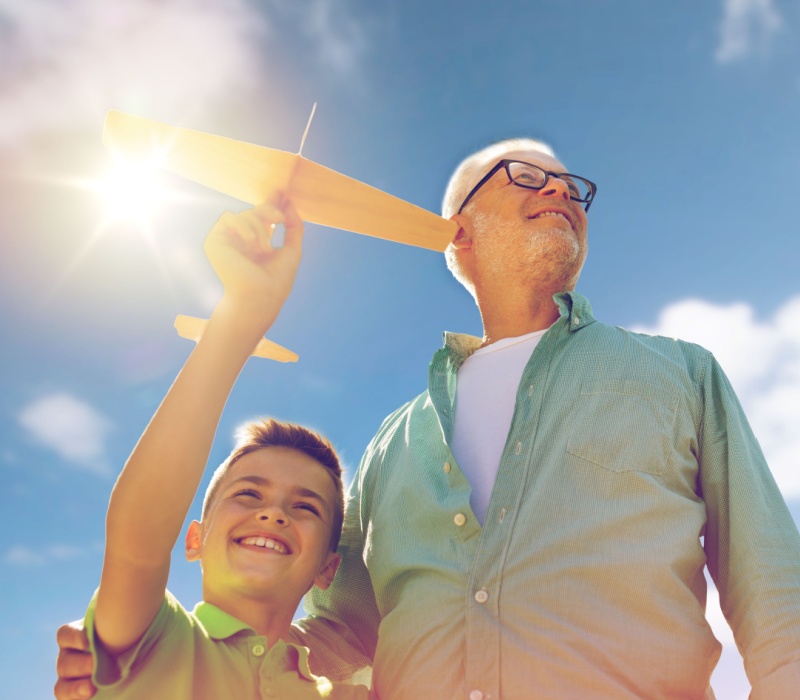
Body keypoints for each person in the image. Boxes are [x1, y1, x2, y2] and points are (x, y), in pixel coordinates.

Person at [56, 139, 800, 700]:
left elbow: (774, 592)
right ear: (459, 232)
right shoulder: (390, 445)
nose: (563, 192)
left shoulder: (680, 374)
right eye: (528, 177)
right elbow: (336, 631)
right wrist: (138, 651)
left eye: (573, 186)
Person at [58, 198, 368, 699]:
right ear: (194, 539)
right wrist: (241, 311)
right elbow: (136, 541)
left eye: (306, 506)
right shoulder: (151, 641)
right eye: (248, 494)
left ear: (328, 570)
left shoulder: (346, 695)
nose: (273, 514)